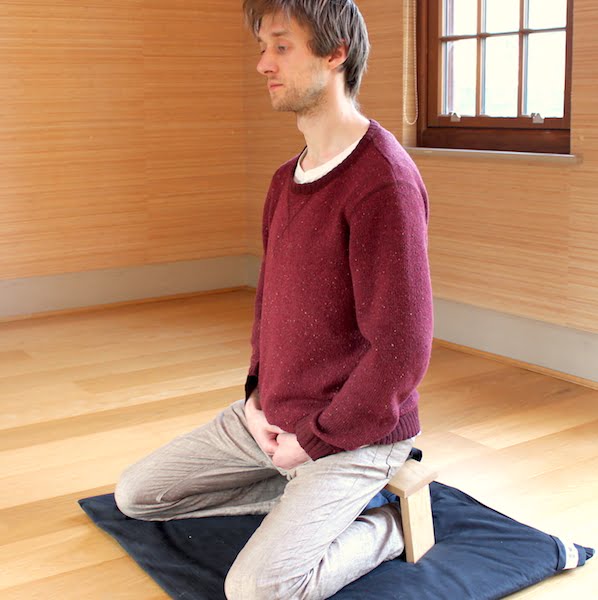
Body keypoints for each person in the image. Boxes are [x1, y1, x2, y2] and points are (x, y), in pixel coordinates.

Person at [115, 1, 433, 598]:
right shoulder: (286, 179)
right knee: (137, 497)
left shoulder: (383, 182)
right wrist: (256, 399)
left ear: (336, 54)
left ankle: (388, 527)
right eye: (263, 48)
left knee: (258, 590)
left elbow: (402, 351)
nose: (263, 64)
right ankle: (300, 496)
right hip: (272, 418)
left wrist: (313, 440)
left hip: (356, 432)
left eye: (281, 47)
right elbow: (270, 305)